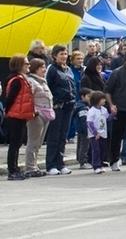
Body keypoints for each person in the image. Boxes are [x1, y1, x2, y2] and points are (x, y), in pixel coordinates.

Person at [45, 44, 76, 176]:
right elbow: (47, 87)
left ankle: (60, 163)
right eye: (61, 54)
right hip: (57, 107)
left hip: (69, 106)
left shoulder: (68, 69)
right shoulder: (51, 69)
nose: (64, 56)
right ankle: (51, 164)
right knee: (54, 136)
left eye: (65, 54)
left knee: (63, 136)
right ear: (54, 56)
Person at [4, 55, 34, 180]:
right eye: (26, 64)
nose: (28, 66)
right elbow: (10, 99)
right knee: (14, 144)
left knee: (18, 143)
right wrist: (9, 111)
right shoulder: (16, 80)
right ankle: (12, 170)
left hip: (20, 115)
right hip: (15, 115)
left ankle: (15, 168)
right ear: (19, 65)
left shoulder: (22, 78)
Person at [27, 58, 55, 177]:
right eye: (42, 67)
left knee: (39, 142)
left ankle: (35, 165)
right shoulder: (32, 81)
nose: (44, 69)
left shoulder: (43, 81)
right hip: (37, 115)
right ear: (35, 69)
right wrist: (34, 112)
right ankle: (30, 167)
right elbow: (29, 98)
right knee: (33, 142)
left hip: (46, 114)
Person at [86, 91, 110, 173]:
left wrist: (113, 114)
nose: (104, 101)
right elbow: (89, 123)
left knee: (103, 149)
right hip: (95, 134)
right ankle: (96, 166)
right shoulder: (92, 111)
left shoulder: (104, 109)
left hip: (103, 133)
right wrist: (95, 133)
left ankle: (101, 164)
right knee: (96, 149)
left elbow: (107, 119)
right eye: (102, 99)